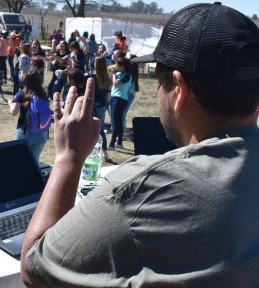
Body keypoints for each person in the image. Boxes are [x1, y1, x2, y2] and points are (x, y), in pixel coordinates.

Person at [21, 3, 259, 287]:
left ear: (179, 90)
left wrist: (68, 159)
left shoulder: (140, 191)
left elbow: (34, 269)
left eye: (160, 83)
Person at [8, 71, 51, 162]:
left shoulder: (22, 93)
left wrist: (10, 103)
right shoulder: (44, 93)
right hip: (42, 133)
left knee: (18, 159)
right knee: (34, 161)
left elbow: (13, 112)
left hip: (25, 132)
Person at [108, 56, 132, 150]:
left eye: (118, 64)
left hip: (120, 99)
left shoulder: (127, 75)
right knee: (118, 122)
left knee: (115, 122)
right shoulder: (119, 73)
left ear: (123, 66)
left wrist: (114, 74)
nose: (116, 66)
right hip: (115, 98)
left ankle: (112, 144)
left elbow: (116, 83)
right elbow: (111, 80)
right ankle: (119, 143)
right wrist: (112, 73)